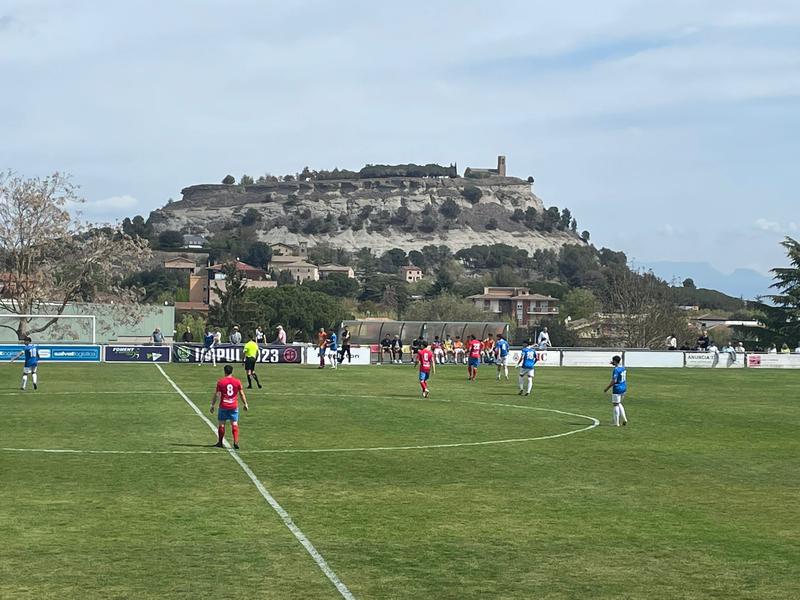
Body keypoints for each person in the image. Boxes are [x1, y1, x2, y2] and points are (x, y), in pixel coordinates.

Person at [210, 365, 248, 449]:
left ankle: (220, 442)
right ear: (232, 371)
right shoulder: (237, 381)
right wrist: (245, 403)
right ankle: (236, 441)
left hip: (223, 405)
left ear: (224, 371)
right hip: (233, 406)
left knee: (222, 424)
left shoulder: (221, 382)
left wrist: (212, 405)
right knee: (234, 423)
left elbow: (217, 394)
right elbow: (241, 394)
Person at [603, 355, 628, 427]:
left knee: (615, 405)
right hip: (624, 387)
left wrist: (607, 388)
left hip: (617, 388)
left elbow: (614, 381)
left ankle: (616, 423)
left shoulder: (616, 370)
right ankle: (624, 419)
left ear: (615, 361)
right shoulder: (623, 368)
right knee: (619, 403)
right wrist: (614, 364)